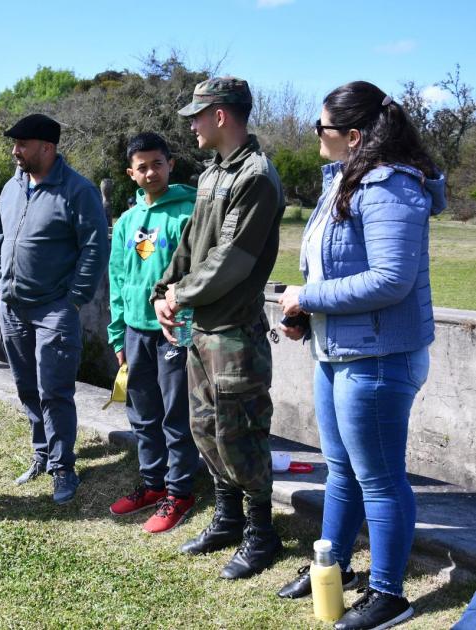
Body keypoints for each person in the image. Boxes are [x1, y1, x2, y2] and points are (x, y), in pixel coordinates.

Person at [276, 81, 445, 630]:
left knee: (380, 478)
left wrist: (309, 298)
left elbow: (392, 280)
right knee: (342, 472)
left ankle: (389, 594)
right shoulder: (344, 180)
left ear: (352, 135)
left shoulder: (390, 186)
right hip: (339, 348)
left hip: (378, 356)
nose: (315, 136)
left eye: (320, 127)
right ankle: (335, 564)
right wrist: (309, 311)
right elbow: (335, 267)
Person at [153, 77, 285, 579]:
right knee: (206, 428)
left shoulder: (255, 175)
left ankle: (261, 534)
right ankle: (228, 519)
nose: (191, 123)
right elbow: (190, 245)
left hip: (233, 331)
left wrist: (179, 295)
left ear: (222, 116)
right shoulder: (213, 173)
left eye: (197, 114)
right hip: (203, 329)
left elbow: (231, 261)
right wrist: (162, 290)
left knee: (242, 434)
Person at [0, 113, 109, 504]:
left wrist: (74, 298)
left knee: (55, 390)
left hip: (54, 308)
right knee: (26, 387)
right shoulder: (12, 187)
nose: (15, 151)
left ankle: (63, 468)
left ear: (47, 147)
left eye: (22, 144)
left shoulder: (78, 190)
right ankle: (41, 453)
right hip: (11, 306)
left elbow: (94, 247)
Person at [106, 132, 199, 533]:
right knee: (142, 414)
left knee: (175, 415)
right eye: (141, 167)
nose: (150, 172)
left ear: (170, 164)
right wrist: (116, 335)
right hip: (134, 331)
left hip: (175, 331)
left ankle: (180, 492)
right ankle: (153, 483)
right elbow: (117, 278)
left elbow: (198, 273)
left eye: (157, 163)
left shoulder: (188, 212)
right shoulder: (126, 221)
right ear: (131, 173)